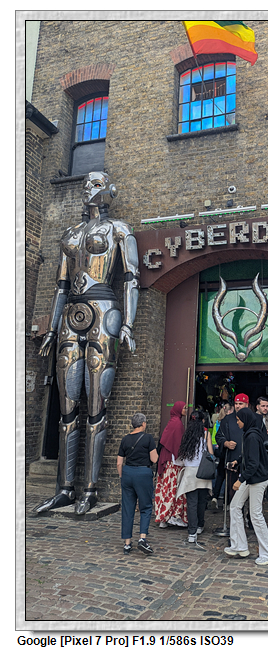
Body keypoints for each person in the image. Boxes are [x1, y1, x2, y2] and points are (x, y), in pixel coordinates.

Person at [35, 171, 140, 515]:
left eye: (96, 184)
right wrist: (52, 330)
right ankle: (65, 488)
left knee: (97, 404)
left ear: (110, 190)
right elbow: (61, 286)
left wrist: (128, 324)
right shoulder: (70, 234)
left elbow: (131, 278)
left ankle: (90, 490)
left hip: (104, 309)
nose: (88, 190)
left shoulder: (119, 229)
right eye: (86, 184)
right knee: (67, 407)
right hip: (71, 312)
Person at [224, 407, 268, 566]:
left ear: (246, 420)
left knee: (255, 514)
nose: (237, 422)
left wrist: (240, 480)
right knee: (235, 506)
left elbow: (254, 463)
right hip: (252, 477)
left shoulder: (252, 436)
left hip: (257, 479)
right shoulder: (251, 434)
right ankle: (239, 546)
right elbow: (249, 456)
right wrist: (238, 461)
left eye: (239, 420)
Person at [117, 413, 158, 555]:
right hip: (143, 473)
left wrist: (122, 476)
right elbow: (154, 459)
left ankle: (127, 543)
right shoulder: (148, 438)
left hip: (128, 473)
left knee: (128, 508)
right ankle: (142, 538)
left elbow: (119, 462)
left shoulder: (125, 439)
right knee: (145, 506)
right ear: (143, 424)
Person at [176, 410, 214, 543]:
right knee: (202, 500)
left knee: (191, 503)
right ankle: (200, 525)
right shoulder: (206, 434)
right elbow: (210, 453)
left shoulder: (187, 435)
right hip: (203, 470)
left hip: (189, 472)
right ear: (203, 421)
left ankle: (192, 533)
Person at [155, 401, 188, 528]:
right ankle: (171, 515)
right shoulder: (177, 424)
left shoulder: (172, 422)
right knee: (173, 488)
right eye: (184, 408)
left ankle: (163, 516)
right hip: (173, 463)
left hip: (168, 460)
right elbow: (177, 445)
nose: (185, 410)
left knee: (166, 488)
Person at [215, 402, 243, 507]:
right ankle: (232, 509)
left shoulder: (254, 419)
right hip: (232, 460)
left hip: (249, 462)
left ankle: (249, 515)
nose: (238, 406)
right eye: (236, 403)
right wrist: (226, 443)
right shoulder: (227, 419)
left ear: (247, 404)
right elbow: (219, 436)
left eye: (241, 403)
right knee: (232, 490)